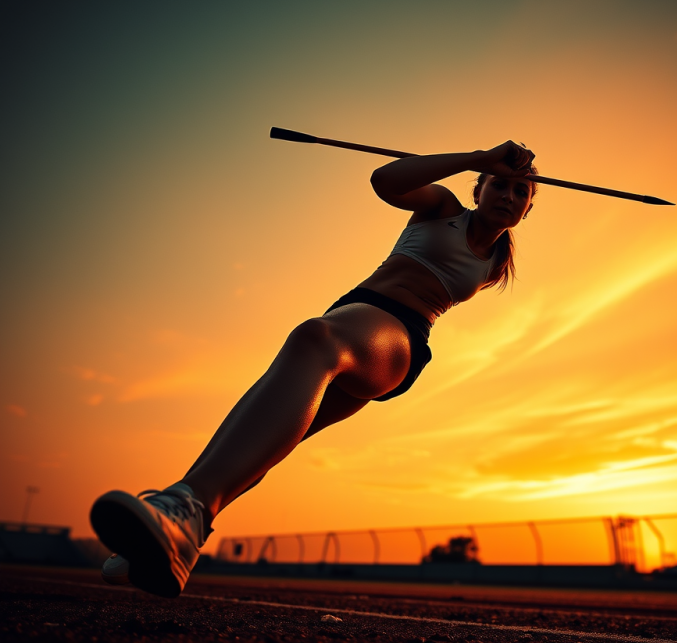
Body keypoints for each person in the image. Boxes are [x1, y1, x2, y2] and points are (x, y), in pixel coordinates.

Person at [91, 140, 537, 597]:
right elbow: (385, 181)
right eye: (499, 185)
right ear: (479, 188)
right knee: (265, 435)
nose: (508, 196)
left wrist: (493, 169)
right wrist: (480, 156)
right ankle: (182, 531)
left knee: (315, 337)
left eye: (521, 193)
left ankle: (180, 508)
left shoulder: (497, 262)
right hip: (356, 313)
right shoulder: (443, 207)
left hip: (398, 339)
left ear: (528, 207)